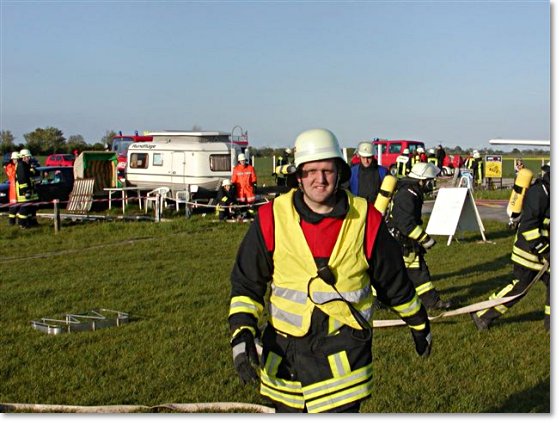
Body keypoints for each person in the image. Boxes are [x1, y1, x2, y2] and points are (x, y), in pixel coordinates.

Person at [228, 128, 432, 413]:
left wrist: (419, 322)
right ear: (298, 175)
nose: (319, 179)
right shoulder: (271, 218)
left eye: (327, 170)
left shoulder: (366, 219)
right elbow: (247, 283)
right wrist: (242, 331)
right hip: (287, 366)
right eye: (310, 171)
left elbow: (393, 282)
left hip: (343, 366)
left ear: (340, 172)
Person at [471, 162, 550, 331]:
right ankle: (482, 314)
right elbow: (529, 229)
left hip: (543, 252)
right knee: (519, 288)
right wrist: (547, 252)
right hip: (528, 252)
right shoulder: (540, 193)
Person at [386, 162, 452, 310]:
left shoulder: (410, 191)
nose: (432, 183)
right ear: (422, 180)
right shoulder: (408, 194)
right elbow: (405, 223)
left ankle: (429, 301)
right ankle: (432, 302)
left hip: (399, 239)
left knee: (405, 272)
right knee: (417, 272)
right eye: (430, 180)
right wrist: (425, 239)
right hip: (402, 241)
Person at [14, 148, 39, 228]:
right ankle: (22, 224)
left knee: (30, 208)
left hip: (29, 190)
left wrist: (32, 170)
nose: (29, 158)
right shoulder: (21, 165)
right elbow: (22, 179)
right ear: (23, 157)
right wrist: (26, 190)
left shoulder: (26, 165)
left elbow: (34, 173)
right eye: (27, 157)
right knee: (24, 208)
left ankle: (31, 223)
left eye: (29, 157)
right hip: (23, 191)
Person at [231, 153, 257, 217]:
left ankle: (251, 215)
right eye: (241, 160)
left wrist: (254, 185)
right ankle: (243, 214)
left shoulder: (250, 168)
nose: (243, 161)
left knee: (250, 202)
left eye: (244, 160)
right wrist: (233, 187)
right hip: (240, 190)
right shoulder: (236, 169)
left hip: (249, 189)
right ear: (239, 161)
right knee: (241, 203)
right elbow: (233, 179)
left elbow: (254, 177)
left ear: (245, 160)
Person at [4, 152, 19, 225]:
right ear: (12, 159)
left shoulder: (17, 165)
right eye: (15, 159)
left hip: (18, 189)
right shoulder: (9, 166)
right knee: (13, 207)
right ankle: (11, 222)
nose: (17, 160)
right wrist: (16, 168)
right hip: (13, 189)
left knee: (20, 207)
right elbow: (12, 175)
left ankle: (20, 222)